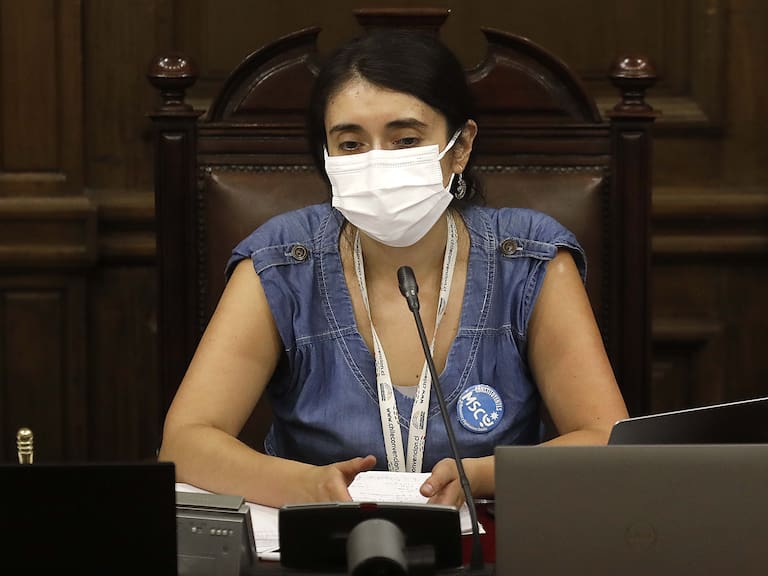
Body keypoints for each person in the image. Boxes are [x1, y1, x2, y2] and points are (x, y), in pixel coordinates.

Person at [158, 28, 629, 509]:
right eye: (350, 144)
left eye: (405, 139)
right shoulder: (282, 261)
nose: (377, 163)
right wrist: (302, 486)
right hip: (318, 545)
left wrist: (483, 476)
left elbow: (607, 441)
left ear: (460, 146)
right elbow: (187, 441)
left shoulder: (528, 260)